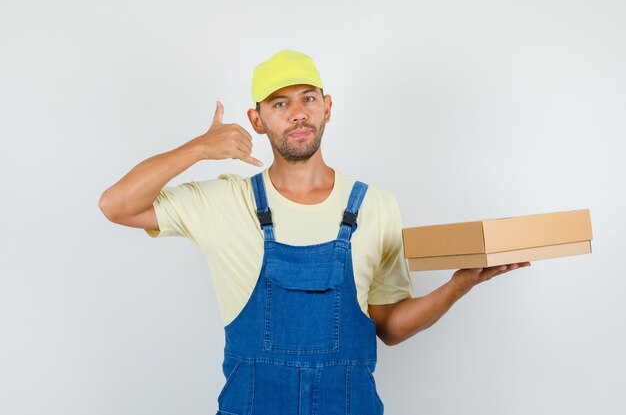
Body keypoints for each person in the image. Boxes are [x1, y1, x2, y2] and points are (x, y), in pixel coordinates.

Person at [99, 50, 530, 415]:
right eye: (280, 104)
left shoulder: (376, 206)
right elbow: (115, 205)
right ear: (257, 119)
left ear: (327, 106)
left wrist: (458, 286)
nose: (298, 113)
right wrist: (198, 148)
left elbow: (391, 327)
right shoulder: (224, 202)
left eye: (308, 98)